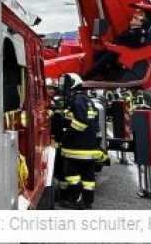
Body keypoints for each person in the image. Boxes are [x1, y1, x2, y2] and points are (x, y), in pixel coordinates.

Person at [58, 73, 101, 210]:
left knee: (71, 175)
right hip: (89, 148)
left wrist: (67, 133)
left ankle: (76, 200)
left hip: (76, 148)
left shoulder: (76, 100)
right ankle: (88, 202)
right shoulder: (87, 100)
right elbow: (95, 124)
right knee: (88, 178)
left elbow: (81, 123)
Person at [83, 9, 147, 80]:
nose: (132, 18)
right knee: (97, 55)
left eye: (135, 18)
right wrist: (112, 45)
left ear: (140, 22)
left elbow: (135, 44)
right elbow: (119, 40)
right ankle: (105, 75)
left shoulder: (140, 32)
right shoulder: (129, 30)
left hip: (124, 52)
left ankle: (88, 76)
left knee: (106, 58)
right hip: (116, 49)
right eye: (134, 17)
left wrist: (118, 46)